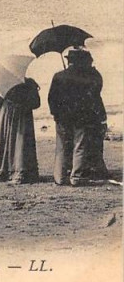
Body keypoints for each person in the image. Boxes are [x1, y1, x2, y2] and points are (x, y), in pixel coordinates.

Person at [48, 47, 108, 186]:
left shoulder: (58, 76)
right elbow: (95, 94)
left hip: (63, 117)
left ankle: (60, 177)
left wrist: (55, 114)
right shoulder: (90, 76)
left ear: (70, 61)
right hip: (82, 117)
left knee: (62, 147)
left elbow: (51, 98)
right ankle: (76, 177)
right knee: (80, 146)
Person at [0, 78, 41, 184]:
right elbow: (36, 103)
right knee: (21, 142)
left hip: (6, 114)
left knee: (5, 140)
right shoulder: (29, 83)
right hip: (23, 115)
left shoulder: (2, 82)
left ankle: (3, 171)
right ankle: (21, 171)